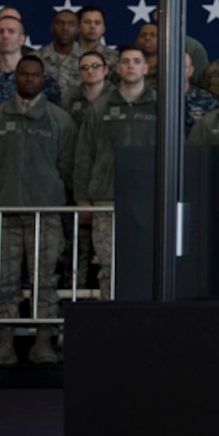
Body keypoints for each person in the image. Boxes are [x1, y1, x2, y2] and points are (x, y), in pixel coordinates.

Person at [0, 55, 77, 367]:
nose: (29, 79)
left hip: (45, 214)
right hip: (3, 212)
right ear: (15, 78)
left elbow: (68, 167)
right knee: (4, 282)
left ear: (43, 79)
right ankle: (4, 344)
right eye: (24, 74)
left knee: (44, 281)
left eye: (35, 75)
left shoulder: (60, 120)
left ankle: (43, 344)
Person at [71, 46, 158, 299]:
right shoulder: (100, 107)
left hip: (150, 201)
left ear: (145, 68)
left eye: (136, 61)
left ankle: (147, 326)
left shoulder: (160, 105)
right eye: (125, 61)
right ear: (117, 68)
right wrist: (82, 197)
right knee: (110, 268)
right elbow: (84, 153)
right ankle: (114, 327)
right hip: (108, 199)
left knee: (148, 267)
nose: (131, 66)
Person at [0, 13, 61, 123]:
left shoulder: (43, 79)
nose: (5, 36)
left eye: (11, 31)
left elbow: (54, 118)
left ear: (22, 39)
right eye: (0, 31)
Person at [36, 9, 86, 92]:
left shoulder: (88, 59)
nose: (65, 28)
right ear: (52, 27)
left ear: (78, 29)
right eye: (60, 23)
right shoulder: (36, 58)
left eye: (71, 24)